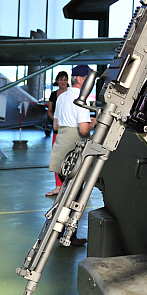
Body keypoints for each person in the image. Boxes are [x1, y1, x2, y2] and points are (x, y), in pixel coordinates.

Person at [47, 65, 96, 246]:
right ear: (82, 80)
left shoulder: (62, 96)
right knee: (74, 198)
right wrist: (94, 121)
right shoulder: (80, 99)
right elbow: (83, 130)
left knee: (64, 196)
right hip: (73, 153)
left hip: (60, 150)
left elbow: (56, 127)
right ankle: (68, 237)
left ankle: (57, 233)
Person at [46, 71, 69, 195]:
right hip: (57, 129)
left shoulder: (71, 94)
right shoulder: (54, 95)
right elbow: (50, 111)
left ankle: (74, 186)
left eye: (65, 79)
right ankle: (58, 186)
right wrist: (56, 119)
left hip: (69, 129)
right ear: (57, 81)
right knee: (57, 158)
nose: (63, 82)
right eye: (61, 79)